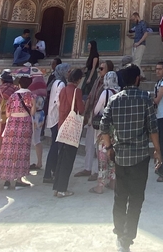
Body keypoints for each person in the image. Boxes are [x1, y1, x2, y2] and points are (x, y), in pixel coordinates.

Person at [99, 64, 162, 252]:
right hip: (140, 156)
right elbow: (153, 128)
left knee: (120, 196)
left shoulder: (114, 100)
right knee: (136, 199)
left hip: (120, 155)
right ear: (137, 79)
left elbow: (104, 126)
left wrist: (109, 148)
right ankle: (127, 238)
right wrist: (158, 151)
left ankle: (120, 233)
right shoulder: (145, 99)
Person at [0, 71, 36, 190]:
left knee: (8, 150)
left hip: (12, 123)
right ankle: (19, 179)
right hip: (25, 124)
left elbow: (7, 113)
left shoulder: (13, 96)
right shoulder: (31, 96)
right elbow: (32, 112)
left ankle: (7, 180)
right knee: (22, 151)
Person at [51, 68, 85, 198]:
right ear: (78, 79)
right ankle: (62, 189)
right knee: (68, 160)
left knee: (61, 158)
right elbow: (80, 109)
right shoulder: (77, 91)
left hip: (62, 125)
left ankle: (57, 186)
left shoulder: (63, 89)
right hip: (71, 127)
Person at [77, 60, 112, 180]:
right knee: (89, 143)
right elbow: (92, 96)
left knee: (99, 145)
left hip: (102, 117)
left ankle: (98, 171)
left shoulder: (108, 85)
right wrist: (86, 112)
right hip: (93, 114)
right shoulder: (97, 81)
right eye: (99, 68)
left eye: (102, 68)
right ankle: (87, 168)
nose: (99, 70)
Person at [90, 71, 120, 194]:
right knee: (112, 156)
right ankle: (113, 182)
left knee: (102, 157)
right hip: (116, 129)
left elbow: (97, 110)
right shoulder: (120, 92)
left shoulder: (105, 92)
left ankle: (100, 186)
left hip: (105, 129)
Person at [42, 62, 70, 185]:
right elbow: (60, 101)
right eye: (68, 71)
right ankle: (48, 173)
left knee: (55, 145)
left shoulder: (56, 82)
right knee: (55, 146)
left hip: (54, 117)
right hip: (58, 117)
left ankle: (52, 170)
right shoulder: (61, 83)